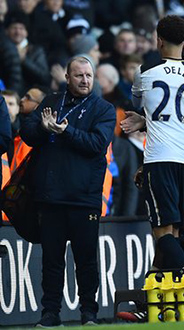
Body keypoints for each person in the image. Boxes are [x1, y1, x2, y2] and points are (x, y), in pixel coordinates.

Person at [20, 55, 115, 326]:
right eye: (79, 75)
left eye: (88, 75)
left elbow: (97, 143)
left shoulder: (103, 108)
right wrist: (42, 126)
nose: (85, 80)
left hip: (83, 198)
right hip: (51, 197)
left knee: (85, 261)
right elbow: (27, 131)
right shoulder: (51, 102)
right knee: (51, 261)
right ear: (67, 77)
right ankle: (50, 313)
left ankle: (89, 313)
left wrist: (65, 131)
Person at [131, 15, 184, 276]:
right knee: (174, 231)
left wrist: (146, 118)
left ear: (159, 40)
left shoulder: (144, 71)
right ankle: (166, 288)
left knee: (161, 231)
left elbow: (136, 102)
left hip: (158, 159)